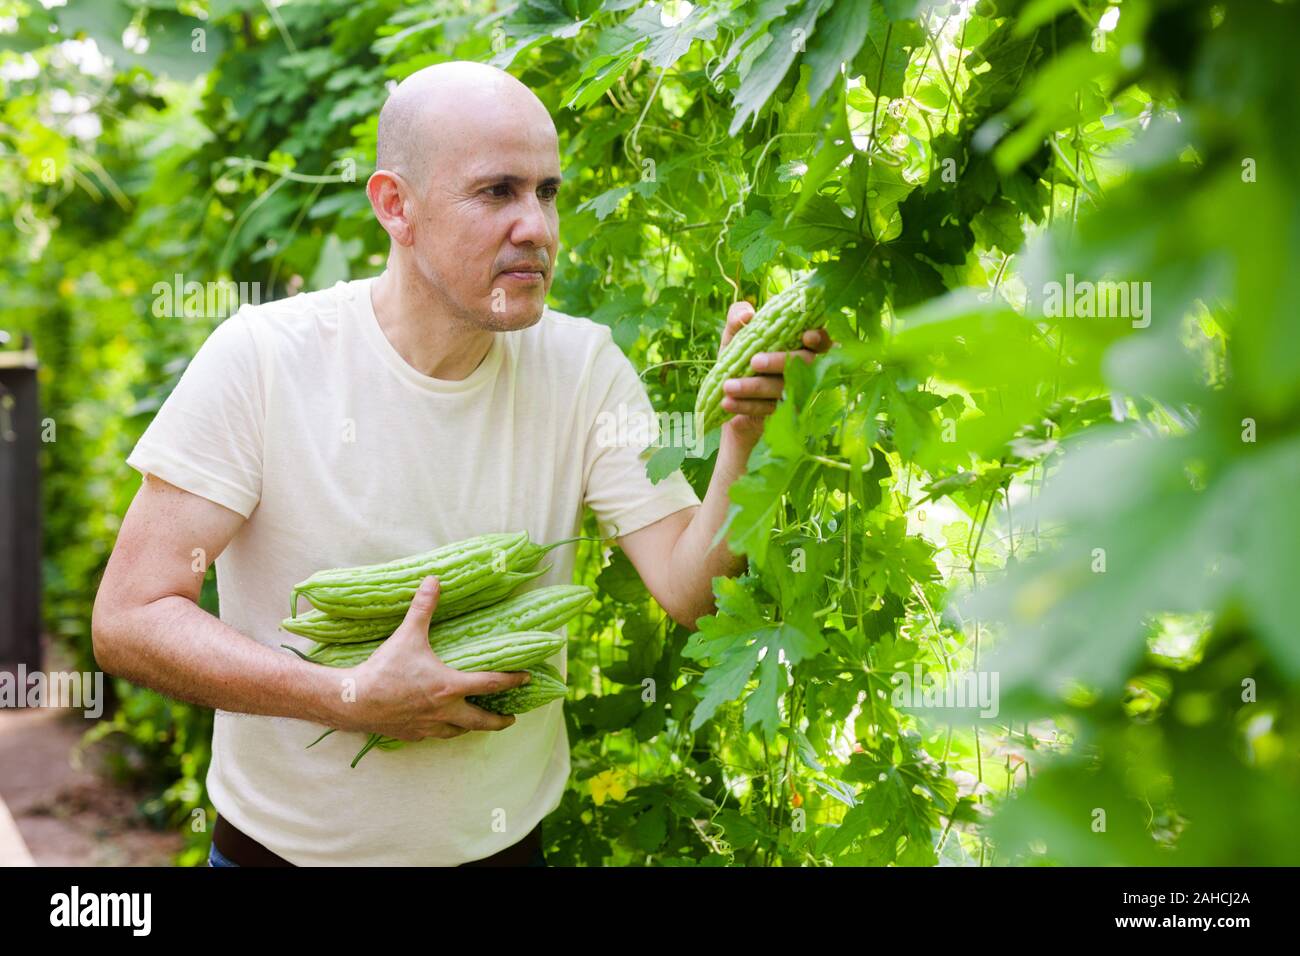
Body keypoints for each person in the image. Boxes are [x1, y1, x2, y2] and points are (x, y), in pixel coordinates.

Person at [91, 60, 832, 867]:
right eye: (497, 192)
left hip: (505, 854)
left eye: (547, 192)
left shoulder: (583, 369)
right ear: (395, 206)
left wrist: (744, 438)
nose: (537, 228)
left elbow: (694, 590)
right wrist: (346, 697)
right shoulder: (264, 360)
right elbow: (129, 618)